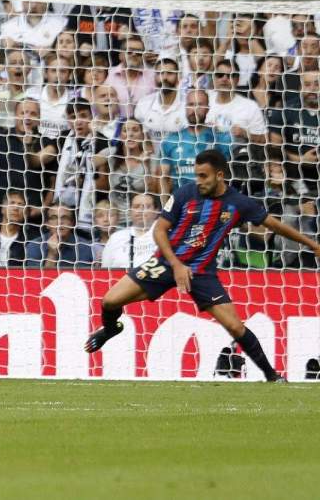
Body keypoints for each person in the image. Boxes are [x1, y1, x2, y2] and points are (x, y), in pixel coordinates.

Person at [85, 149, 320, 382]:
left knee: (235, 327)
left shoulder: (238, 203)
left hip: (201, 272)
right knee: (110, 301)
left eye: (203, 176)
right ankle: (111, 329)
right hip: (166, 262)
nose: (198, 180)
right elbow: (159, 230)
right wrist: (176, 265)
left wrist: (312, 245)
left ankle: (272, 376)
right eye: (197, 175)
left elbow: (275, 225)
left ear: (220, 175)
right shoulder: (185, 193)